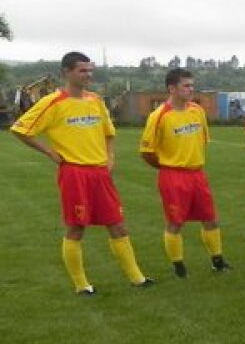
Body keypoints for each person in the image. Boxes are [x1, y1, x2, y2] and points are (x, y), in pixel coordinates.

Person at [11, 51, 153, 294]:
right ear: (66, 72)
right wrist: (49, 152)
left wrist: (110, 157)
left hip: (100, 173)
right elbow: (20, 129)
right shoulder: (52, 103)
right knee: (76, 228)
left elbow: (109, 133)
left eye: (90, 70)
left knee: (117, 225)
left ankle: (137, 278)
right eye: (82, 70)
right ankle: (81, 285)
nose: (88, 75)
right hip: (74, 173)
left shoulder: (95, 100)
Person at [139, 68, 230, 277]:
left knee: (210, 218)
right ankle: (179, 266)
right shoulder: (159, 116)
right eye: (186, 85)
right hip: (173, 175)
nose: (191, 89)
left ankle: (218, 261)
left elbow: (202, 141)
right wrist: (168, 167)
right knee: (175, 222)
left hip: (197, 173)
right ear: (172, 88)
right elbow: (146, 152)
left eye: (192, 85)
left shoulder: (197, 110)